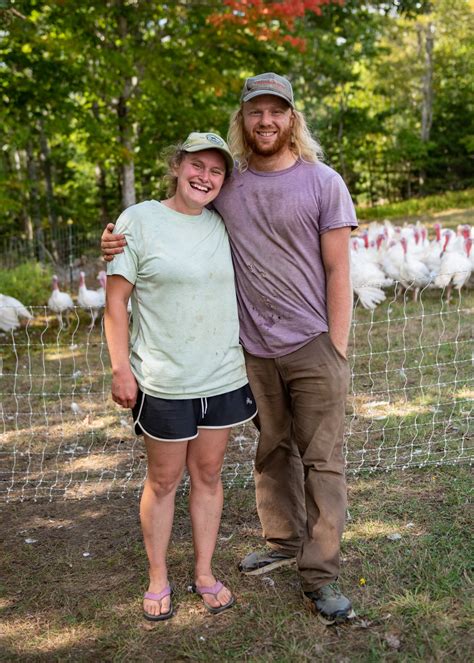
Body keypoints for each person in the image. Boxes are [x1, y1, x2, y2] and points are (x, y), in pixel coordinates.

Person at [102, 73, 358, 625]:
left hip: (313, 345)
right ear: (242, 120)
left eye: (277, 111)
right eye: (255, 111)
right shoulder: (228, 187)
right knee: (272, 452)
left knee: (322, 461)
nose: (266, 120)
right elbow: (170, 228)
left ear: (293, 119)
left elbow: (340, 269)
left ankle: (321, 575)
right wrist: (113, 242)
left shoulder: (323, 182)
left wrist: (336, 348)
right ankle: (282, 540)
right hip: (252, 353)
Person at [104, 132, 257, 622]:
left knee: (208, 475)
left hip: (223, 375)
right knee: (165, 479)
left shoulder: (223, 224)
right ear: (177, 165)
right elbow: (115, 303)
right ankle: (157, 577)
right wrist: (121, 367)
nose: (204, 177)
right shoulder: (140, 221)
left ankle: (205, 572)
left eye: (216, 171)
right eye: (196, 166)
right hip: (164, 380)